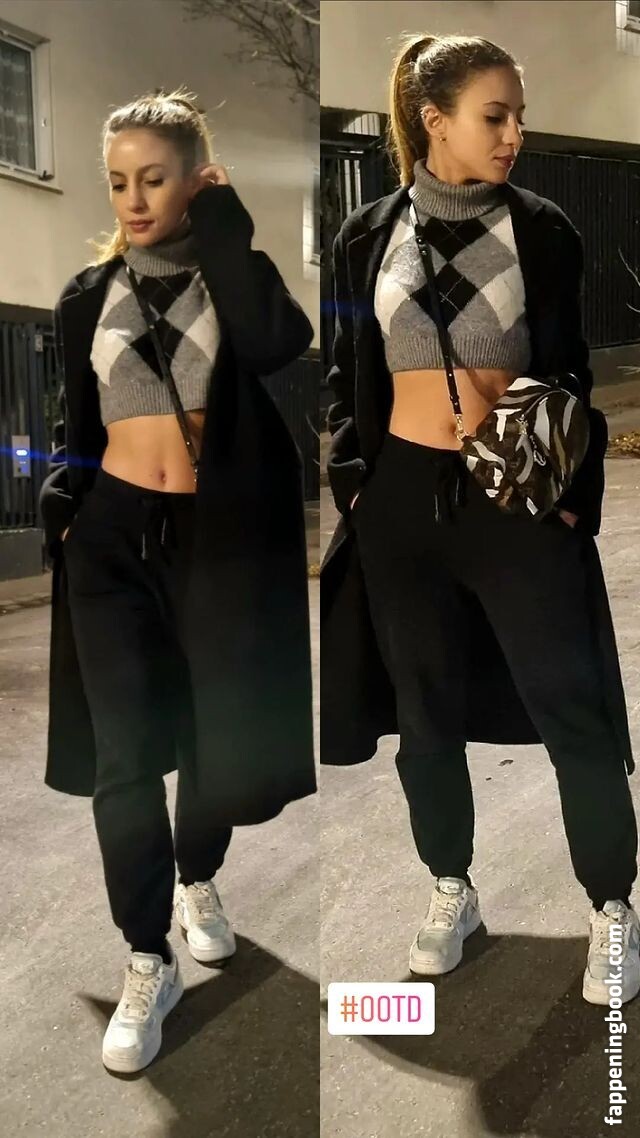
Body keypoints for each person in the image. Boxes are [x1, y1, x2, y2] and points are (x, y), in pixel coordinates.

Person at [321, 34, 640, 1005]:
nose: (513, 134)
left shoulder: (541, 229)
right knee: (426, 715)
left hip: (516, 492)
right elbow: (345, 367)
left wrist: (563, 495)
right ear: (435, 120)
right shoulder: (367, 233)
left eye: (518, 116)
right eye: (494, 116)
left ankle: (612, 906)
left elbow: (569, 367)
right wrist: (354, 480)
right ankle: (450, 888)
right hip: (402, 502)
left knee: (572, 703)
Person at [39, 88, 316, 1073]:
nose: (132, 199)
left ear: (197, 180)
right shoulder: (85, 296)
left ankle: (197, 873)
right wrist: (67, 497)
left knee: (213, 739)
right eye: (118, 181)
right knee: (124, 757)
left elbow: (282, 343)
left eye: (154, 179)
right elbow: (77, 422)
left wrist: (228, 226)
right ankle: (145, 955)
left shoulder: (234, 280)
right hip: (112, 540)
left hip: (219, 538)